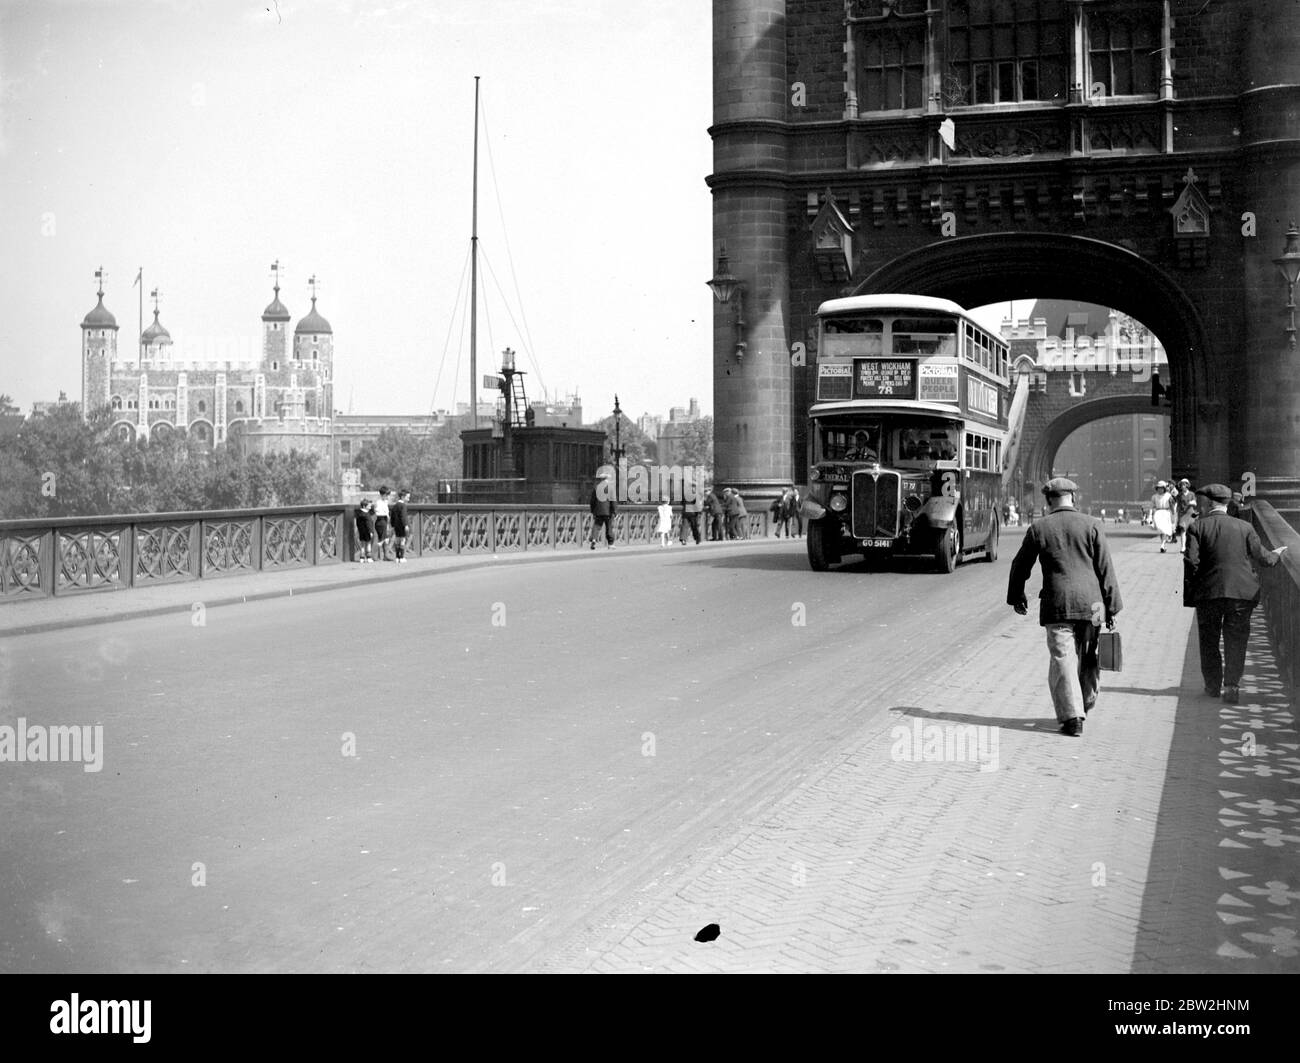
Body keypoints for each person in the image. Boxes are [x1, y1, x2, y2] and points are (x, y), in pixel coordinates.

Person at [1007, 477, 1123, 738]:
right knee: (1090, 655)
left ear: (1048, 500)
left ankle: (1072, 717)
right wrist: (1111, 607)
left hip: (1058, 604)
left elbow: (1020, 565)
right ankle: (1087, 701)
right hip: (1093, 605)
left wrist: (1017, 596)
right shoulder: (1093, 525)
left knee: (1063, 658)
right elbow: (1106, 569)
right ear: (1074, 497)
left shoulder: (1040, 528)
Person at [1184, 483, 1286, 703]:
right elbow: (1264, 558)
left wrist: (1194, 592)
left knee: (1209, 640)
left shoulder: (1197, 527)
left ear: (1210, 502)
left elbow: (1191, 563)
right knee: (1236, 640)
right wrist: (1277, 554)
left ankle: (1212, 686)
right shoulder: (1244, 527)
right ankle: (1231, 686)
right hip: (1242, 594)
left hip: (1209, 594)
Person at [589, 475, 616, 549]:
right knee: (609, 527)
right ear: (607, 479)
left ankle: (594, 539)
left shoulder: (596, 487)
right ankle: (610, 544)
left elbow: (592, 501)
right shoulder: (610, 488)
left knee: (597, 526)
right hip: (608, 511)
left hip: (598, 511)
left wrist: (593, 511)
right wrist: (614, 511)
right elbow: (613, 501)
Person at [1150, 480, 1176, 552]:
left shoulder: (1168, 496)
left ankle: (1162, 545)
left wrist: (1173, 515)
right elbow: (1152, 506)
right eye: (1158, 488)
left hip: (1166, 512)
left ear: (1164, 488)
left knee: (1164, 530)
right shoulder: (1154, 497)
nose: (1160, 489)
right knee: (1161, 530)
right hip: (1158, 513)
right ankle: (1163, 544)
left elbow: (1172, 505)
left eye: (1161, 488)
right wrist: (1150, 516)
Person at [1174, 478, 1198, 553]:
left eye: (1184, 484)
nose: (1182, 486)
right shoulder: (1179, 495)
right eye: (1181, 485)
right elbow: (1176, 504)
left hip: (1190, 513)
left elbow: (1195, 503)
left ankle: (1191, 546)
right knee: (1183, 530)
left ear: (1187, 485)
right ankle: (1183, 547)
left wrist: (1191, 502)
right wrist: (1175, 512)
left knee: (1191, 530)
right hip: (1182, 514)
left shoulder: (1191, 494)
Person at [373, 486, 393, 561]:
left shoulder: (385, 502)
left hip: (385, 520)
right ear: (383, 494)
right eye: (387, 495)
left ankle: (385, 555)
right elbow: (378, 512)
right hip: (380, 520)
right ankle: (376, 555)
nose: (387, 496)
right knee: (382, 538)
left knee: (386, 538)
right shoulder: (378, 502)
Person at [390, 488, 410, 563]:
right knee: (402, 541)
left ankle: (397, 557)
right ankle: (402, 557)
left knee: (397, 541)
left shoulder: (395, 505)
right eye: (407, 497)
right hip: (402, 526)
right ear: (403, 497)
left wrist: (392, 525)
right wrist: (406, 525)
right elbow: (403, 516)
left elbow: (392, 516)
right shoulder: (403, 506)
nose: (408, 499)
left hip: (396, 526)